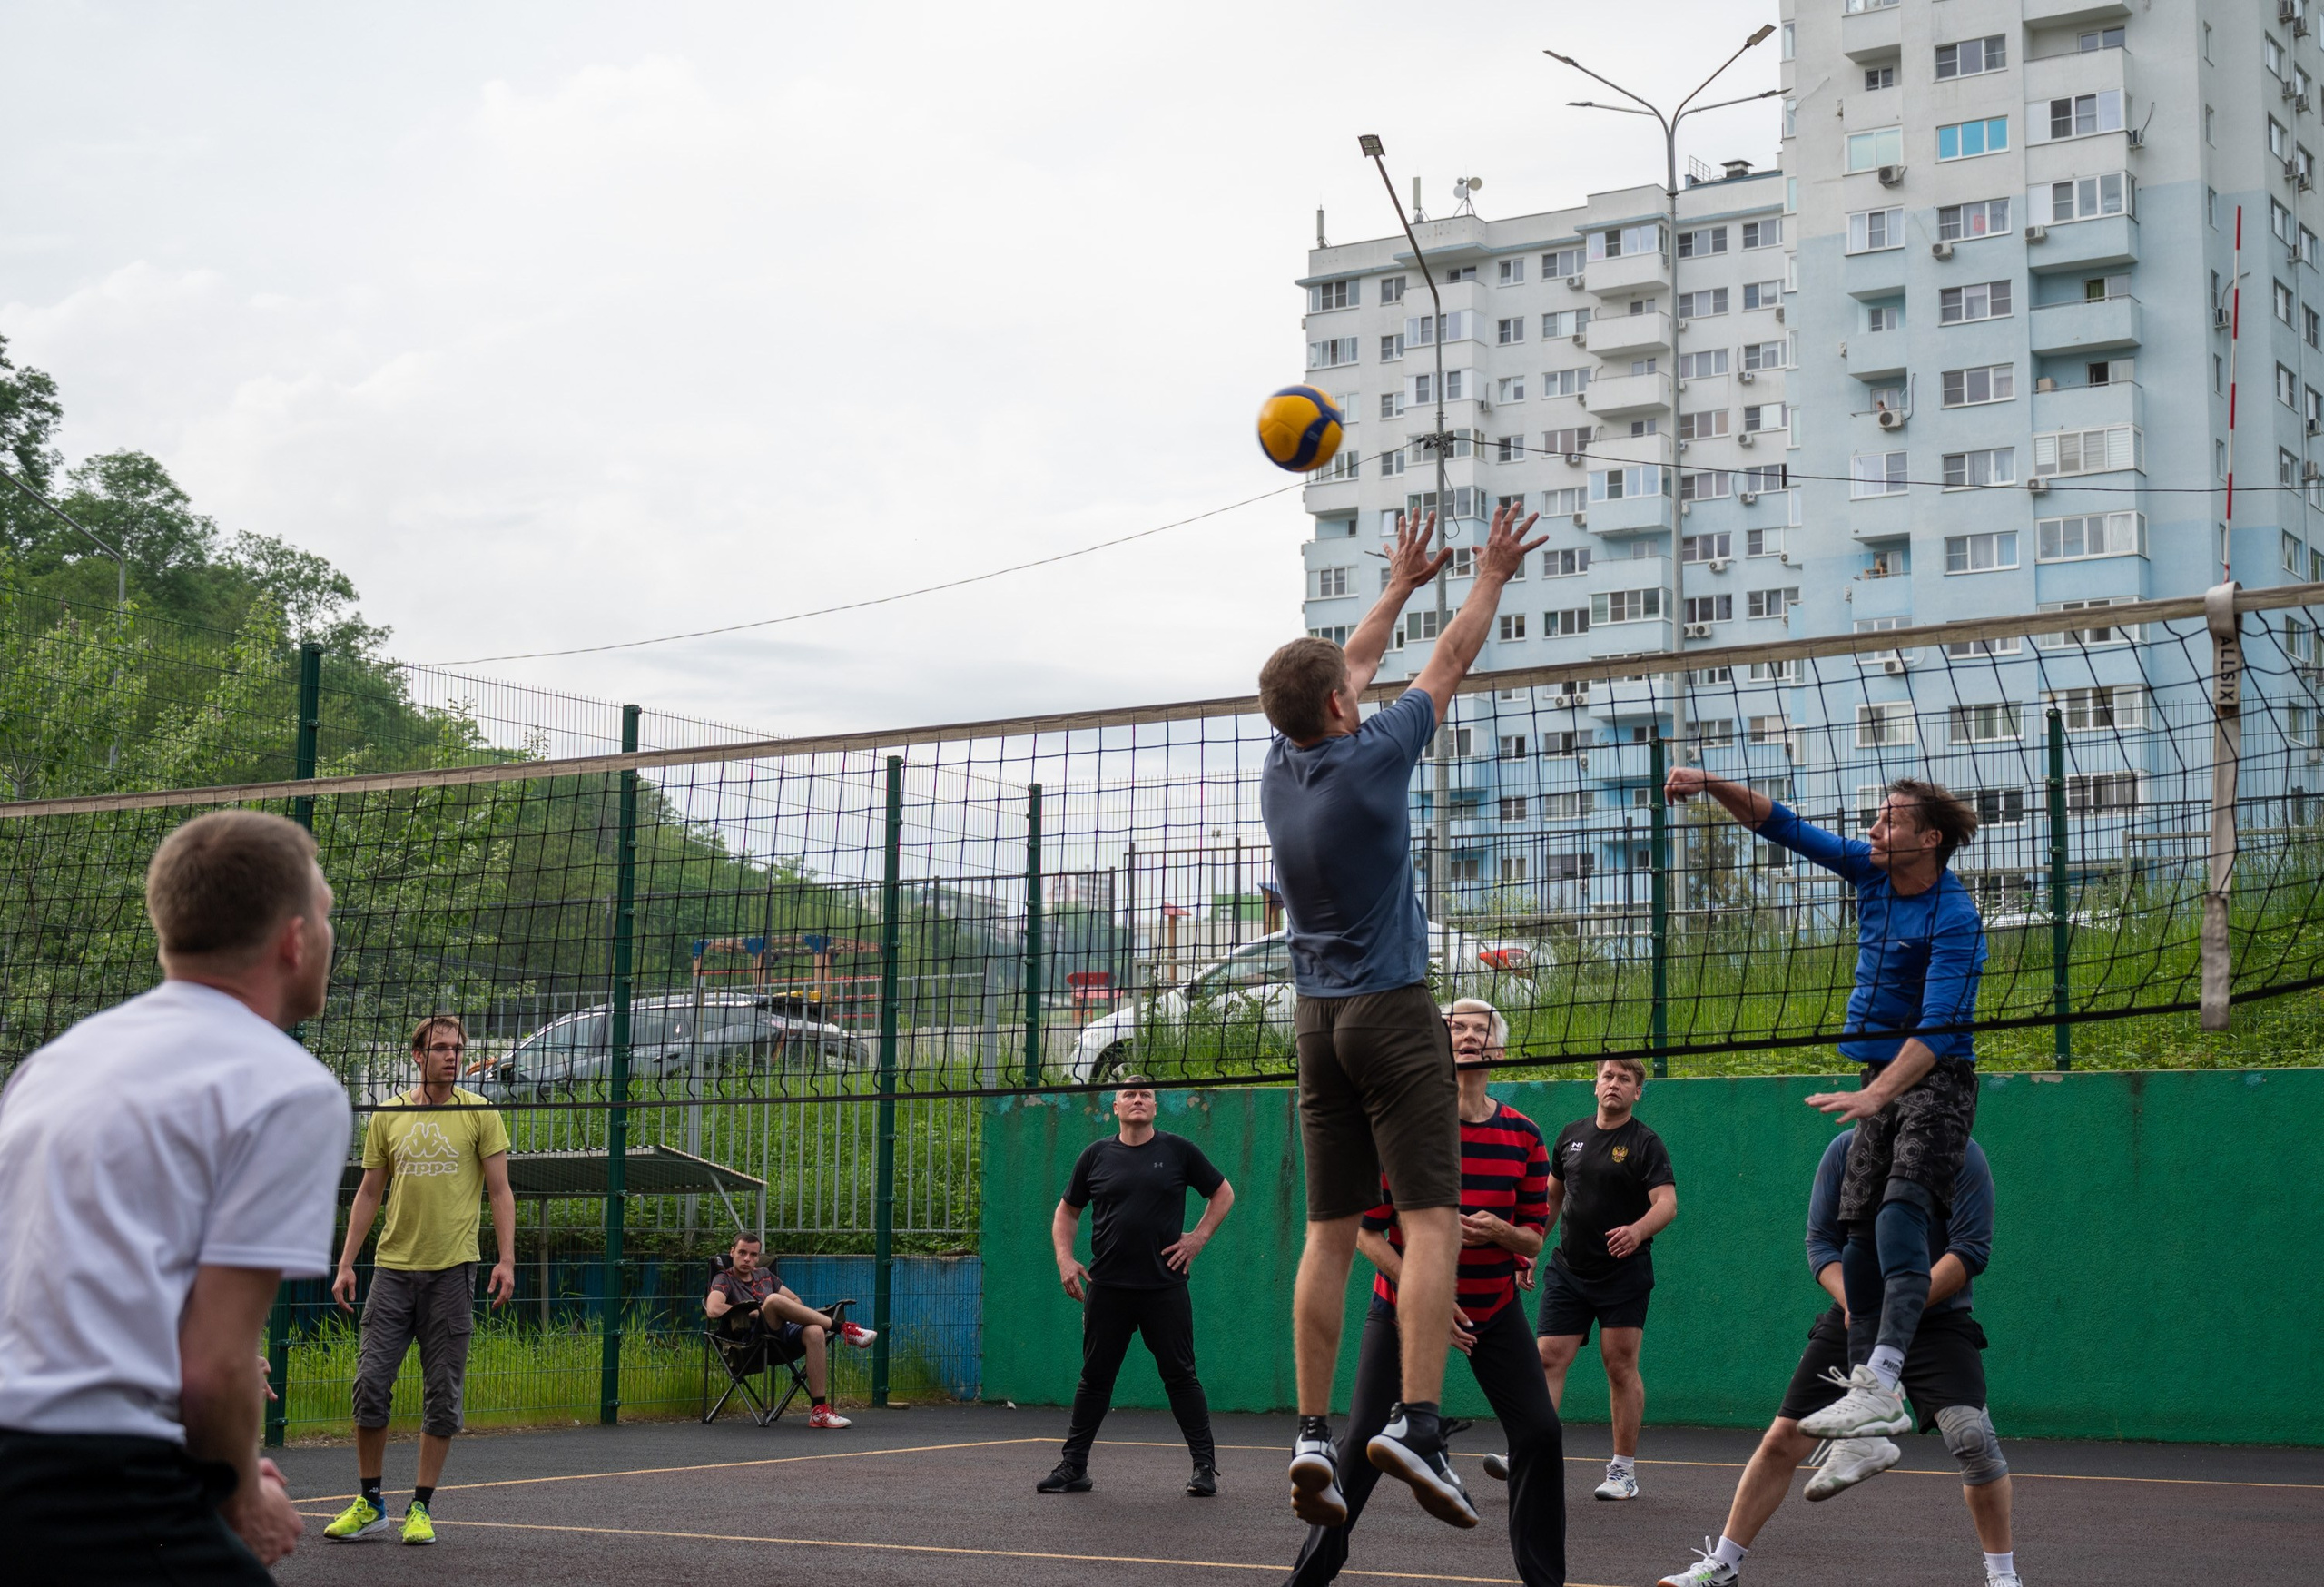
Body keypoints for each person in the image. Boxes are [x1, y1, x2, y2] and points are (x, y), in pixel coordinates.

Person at [1258, 501, 1545, 1530]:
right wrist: (1489, 576)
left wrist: (1392, 586)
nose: (1359, 683)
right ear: (1343, 706)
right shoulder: (1373, 757)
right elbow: (1449, 661)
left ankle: (1309, 1434)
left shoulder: (1279, 766)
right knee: (1428, 1220)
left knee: (1328, 1232)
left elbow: (1345, 665)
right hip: (1386, 1012)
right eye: (1348, 687)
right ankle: (1416, 1424)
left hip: (1314, 1021)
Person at [0, 810, 352, 1585]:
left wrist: (212, 1478)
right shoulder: (287, 1089)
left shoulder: (56, 1063)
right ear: (295, 939)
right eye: (327, 914)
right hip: (85, 1475)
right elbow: (214, 1367)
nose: (330, 934)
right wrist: (235, 1500)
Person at [1667, 772, 1986, 1443]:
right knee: (1859, 1235)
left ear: (1929, 840)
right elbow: (1780, 824)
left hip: (1937, 1080)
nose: (1873, 831)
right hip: (1877, 1077)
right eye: (1875, 818)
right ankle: (1865, 1428)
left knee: (1901, 1215)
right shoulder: (1870, 873)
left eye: (1890, 821)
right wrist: (1708, 781)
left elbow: (1935, 1031)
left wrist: (1876, 1094)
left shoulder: (1954, 917)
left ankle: (1885, 1382)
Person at [1657, 1130, 2018, 1587]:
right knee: (1784, 1438)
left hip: (1937, 1318)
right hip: (1857, 1312)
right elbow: (1821, 1244)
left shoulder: (1961, 1153)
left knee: (1972, 1438)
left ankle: (2003, 1576)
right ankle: (1722, 1564)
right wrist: (1857, 1302)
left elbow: (1969, 1250)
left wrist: (1896, 1308)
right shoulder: (1846, 1150)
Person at [1285, 998, 1565, 1587]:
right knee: (1362, 1440)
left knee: (1540, 1431)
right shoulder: (1406, 1133)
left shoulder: (1525, 1137)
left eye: (1478, 1028)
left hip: (1491, 1308)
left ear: (1499, 1048)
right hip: (1402, 1306)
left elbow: (1534, 1240)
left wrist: (1500, 1231)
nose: (1465, 1036)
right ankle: (1309, 1577)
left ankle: (1544, 1580)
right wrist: (1428, 1302)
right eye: (1454, 1028)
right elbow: (1366, 1233)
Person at [323, 1014, 517, 1545]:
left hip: (454, 1270)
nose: (452, 1056)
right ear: (418, 1056)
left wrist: (506, 1259)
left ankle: (421, 1507)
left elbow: (500, 1191)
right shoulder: (389, 1114)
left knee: (442, 1393)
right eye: (440, 1048)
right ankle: (370, 1502)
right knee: (370, 1386)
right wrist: (345, 1263)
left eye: (457, 1048)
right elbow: (368, 1192)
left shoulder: (480, 1113)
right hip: (391, 1270)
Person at [1039, 1076, 1236, 1497]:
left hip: (1164, 1288)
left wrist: (1197, 1239)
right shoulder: (1095, 1156)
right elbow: (1067, 1212)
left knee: (1181, 1377)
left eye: (1145, 1094)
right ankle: (1074, 1467)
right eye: (1129, 1094)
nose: (1137, 1099)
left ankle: (1204, 1468)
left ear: (1155, 1105)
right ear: (1115, 1107)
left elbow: (1222, 1193)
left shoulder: (1179, 1151)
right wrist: (1064, 1258)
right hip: (1108, 1288)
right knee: (1095, 1379)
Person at [1532, 1055, 1677, 1501]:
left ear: (1637, 1092)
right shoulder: (1570, 1137)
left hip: (1623, 1275)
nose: (1613, 1083)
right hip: (1568, 1270)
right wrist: (1531, 1251)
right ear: (1595, 1085)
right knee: (1547, 1358)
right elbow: (1552, 1200)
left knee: (1619, 1366)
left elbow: (1666, 1204)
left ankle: (1623, 1471)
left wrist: (1637, 1231)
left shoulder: (1645, 1143)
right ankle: (1530, 1454)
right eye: (1607, 1076)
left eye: (1625, 1079)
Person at [704, 1232, 877, 1428]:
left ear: (758, 1257)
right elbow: (713, 1308)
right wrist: (753, 1312)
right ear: (732, 1252)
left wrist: (781, 1311)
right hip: (753, 1341)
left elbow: (796, 1301)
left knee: (815, 1332)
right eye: (742, 1252)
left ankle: (819, 1412)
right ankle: (843, 1329)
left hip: (781, 1336)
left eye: (753, 1255)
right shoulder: (724, 1278)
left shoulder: (765, 1275)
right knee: (772, 1300)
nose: (747, 1259)